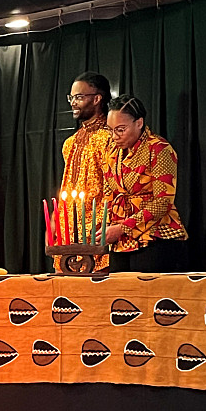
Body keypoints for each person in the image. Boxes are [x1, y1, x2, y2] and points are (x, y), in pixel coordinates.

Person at [102, 95, 188, 272]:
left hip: (155, 235)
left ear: (139, 123)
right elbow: (108, 192)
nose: (114, 136)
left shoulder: (159, 149)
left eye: (120, 129)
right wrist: (104, 224)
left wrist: (124, 227)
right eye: (110, 130)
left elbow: (163, 202)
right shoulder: (112, 151)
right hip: (121, 239)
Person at [56, 72, 113, 272]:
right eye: (71, 98)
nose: (73, 102)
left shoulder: (110, 137)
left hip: (98, 231)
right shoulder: (69, 143)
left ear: (97, 99)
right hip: (69, 232)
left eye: (79, 97)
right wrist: (57, 224)